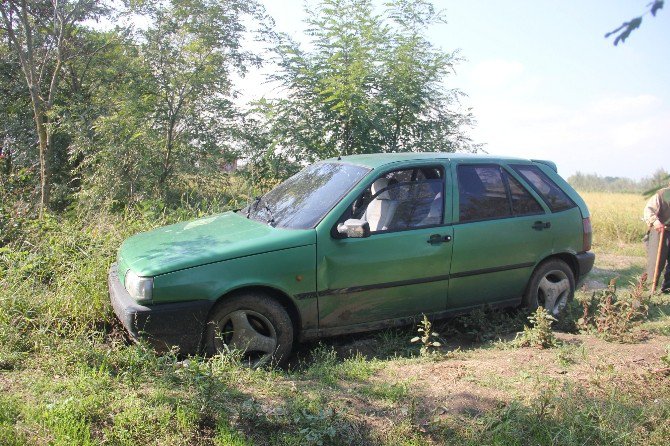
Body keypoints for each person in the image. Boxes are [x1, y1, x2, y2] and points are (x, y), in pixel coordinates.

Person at [644, 184, 670, 293]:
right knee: (656, 262)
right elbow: (649, 210)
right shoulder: (662, 194)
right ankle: (650, 289)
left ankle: (667, 289)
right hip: (660, 230)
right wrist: (655, 221)